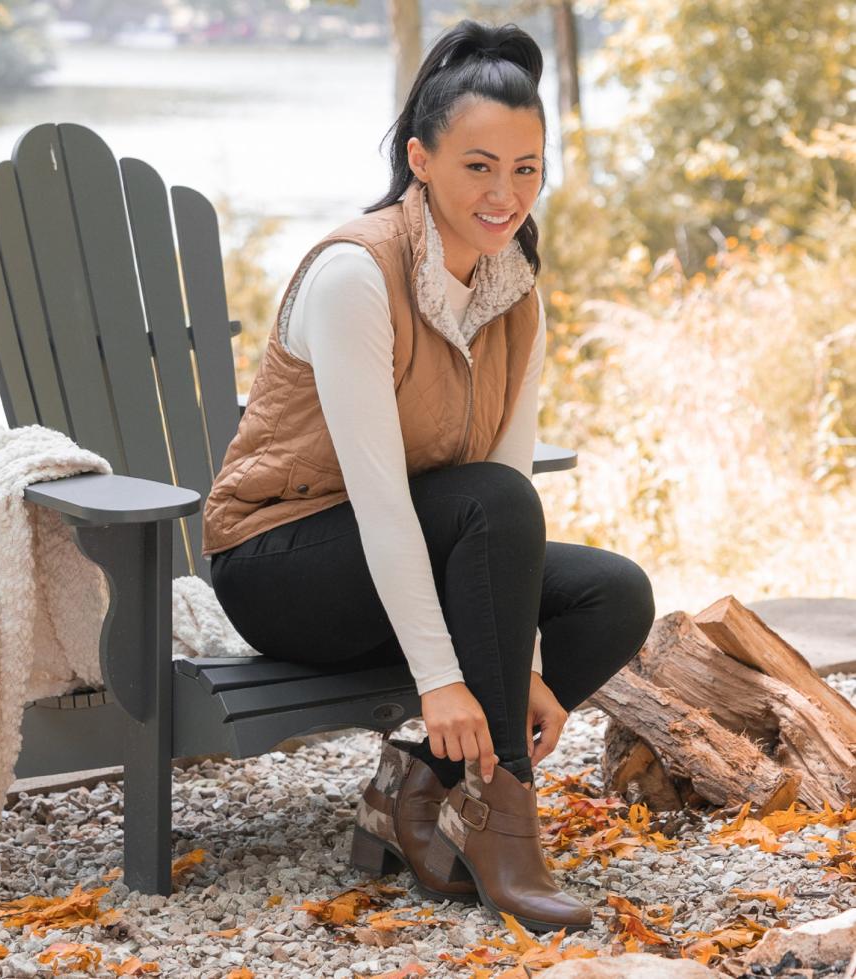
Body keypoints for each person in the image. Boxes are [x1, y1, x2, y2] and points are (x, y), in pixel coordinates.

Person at [202, 19, 655, 935]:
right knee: (487, 502)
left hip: (418, 545)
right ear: (421, 158)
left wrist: (524, 660)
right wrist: (443, 679)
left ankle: (421, 783)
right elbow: (380, 501)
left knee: (613, 594)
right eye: (479, 166)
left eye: (527, 168)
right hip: (283, 563)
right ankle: (501, 815)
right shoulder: (354, 276)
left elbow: (506, 481)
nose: (506, 193)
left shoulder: (512, 285)